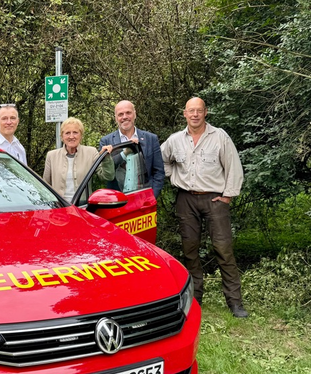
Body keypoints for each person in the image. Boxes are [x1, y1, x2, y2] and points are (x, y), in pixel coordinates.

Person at [160, 97, 247, 318]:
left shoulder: (219, 137)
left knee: (223, 249)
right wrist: (173, 175)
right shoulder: (175, 140)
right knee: (190, 250)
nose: (195, 114)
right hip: (186, 200)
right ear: (185, 114)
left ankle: (235, 302)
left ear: (205, 112)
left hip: (214, 199)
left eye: (199, 110)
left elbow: (233, 166)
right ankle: (194, 299)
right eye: (191, 111)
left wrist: (228, 196)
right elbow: (160, 161)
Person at [98, 100, 165, 198]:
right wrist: (124, 153)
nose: (124, 117)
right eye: (120, 114)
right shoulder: (106, 141)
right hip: (117, 202)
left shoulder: (151, 139)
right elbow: (107, 174)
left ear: (135, 114)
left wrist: (152, 197)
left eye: (128, 113)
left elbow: (158, 172)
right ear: (116, 118)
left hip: (143, 201)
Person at [43, 117, 114, 199]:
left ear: (81, 135)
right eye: (67, 133)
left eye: (75, 132)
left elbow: (108, 177)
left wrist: (106, 158)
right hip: (59, 206)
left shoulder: (91, 152)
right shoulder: (51, 156)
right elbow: (45, 186)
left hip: (82, 206)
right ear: (62, 136)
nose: (71, 136)